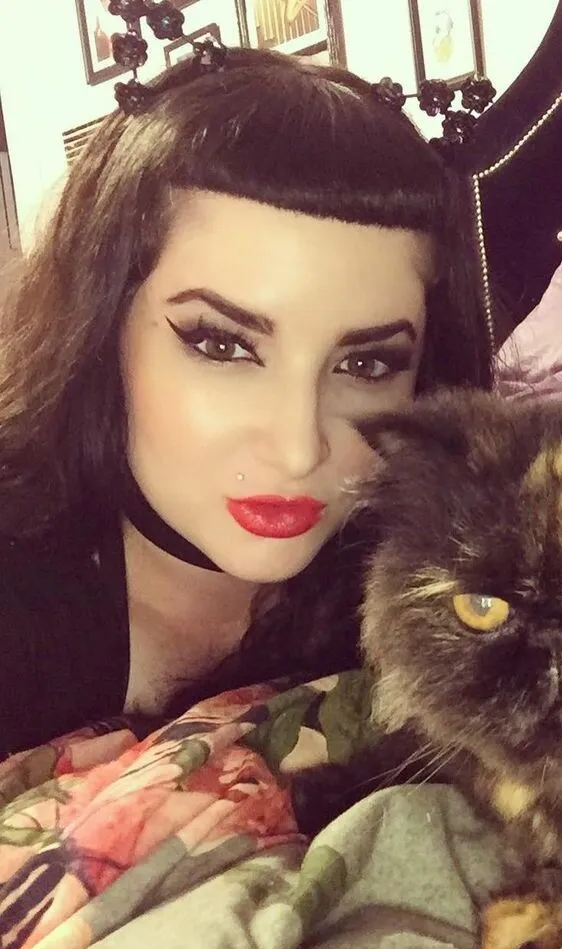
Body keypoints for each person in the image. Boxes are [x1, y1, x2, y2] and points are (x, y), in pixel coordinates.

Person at [0, 47, 492, 756]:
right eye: (223, 345)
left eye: (365, 364)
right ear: (100, 330)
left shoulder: (473, 595)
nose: (298, 449)